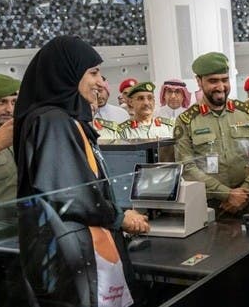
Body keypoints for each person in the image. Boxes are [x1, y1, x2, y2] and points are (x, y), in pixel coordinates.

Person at [13, 35, 149, 307]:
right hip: (69, 260)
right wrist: (120, 217)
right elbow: (73, 195)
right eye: (93, 73)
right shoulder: (52, 121)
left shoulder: (61, 120)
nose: (101, 82)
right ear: (67, 73)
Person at [174, 52, 249, 216]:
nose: (221, 86)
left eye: (224, 79)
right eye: (213, 81)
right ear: (199, 81)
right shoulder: (186, 120)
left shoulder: (247, 113)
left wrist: (246, 190)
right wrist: (227, 194)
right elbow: (187, 166)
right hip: (211, 205)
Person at [0, 74, 20, 203]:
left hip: (26, 215)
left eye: (14, 102)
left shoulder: (19, 133)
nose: (9, 109)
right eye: (1, 102)